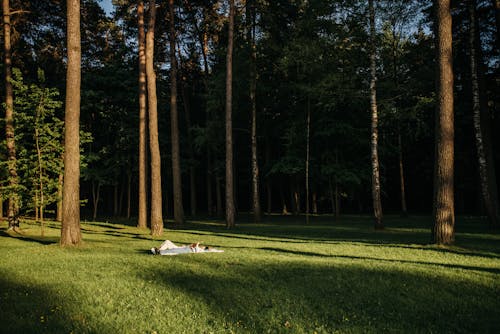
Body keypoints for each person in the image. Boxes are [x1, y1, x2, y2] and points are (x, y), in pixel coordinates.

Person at [151, 240, 223, 255]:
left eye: (204, 246)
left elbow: (213, 250)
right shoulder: (198, 247)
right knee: (167, 241)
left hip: (182, 250)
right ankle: (159, 249)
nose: (203, 246)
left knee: (173, 250)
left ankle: (159, 252)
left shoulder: (199, 249)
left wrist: (196, 244)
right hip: (181, 248)